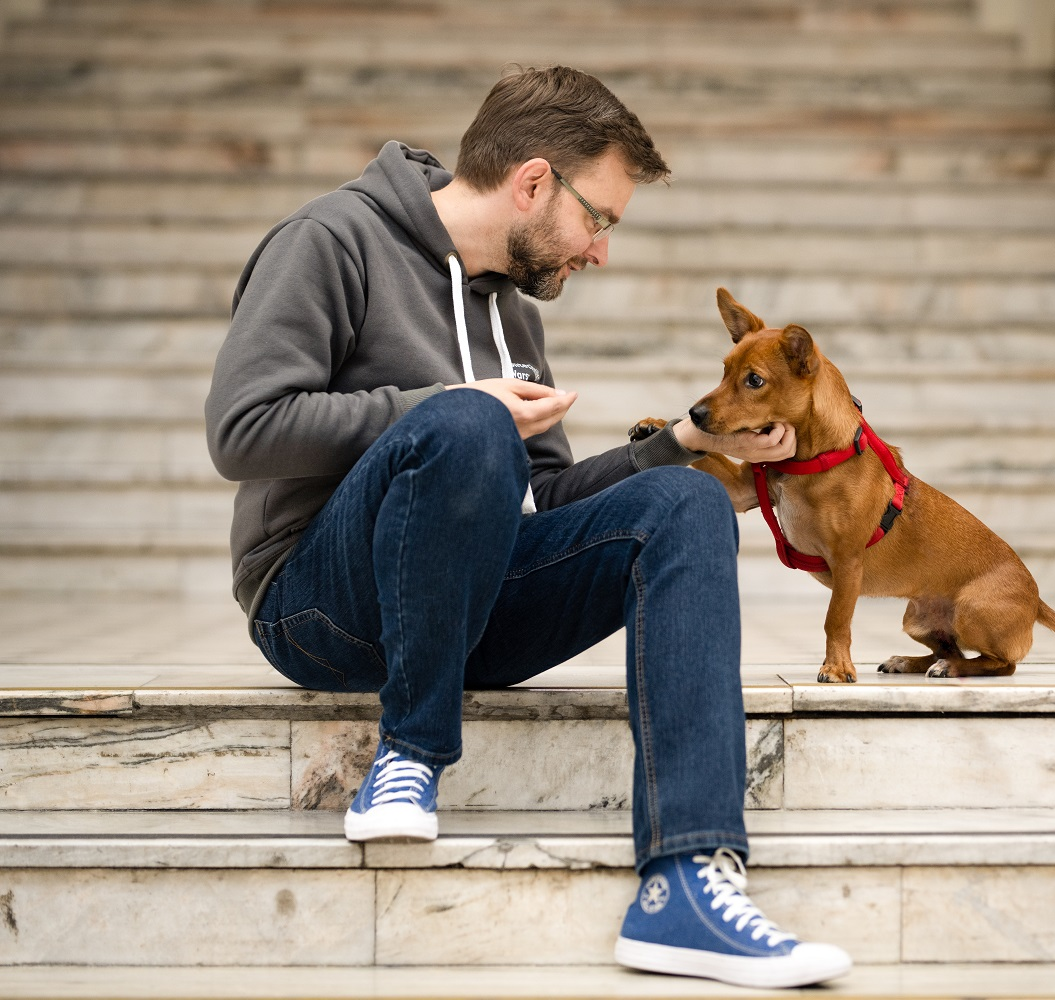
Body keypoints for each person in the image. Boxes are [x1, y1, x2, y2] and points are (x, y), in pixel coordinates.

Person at [204, 65, 851, 990]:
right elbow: (241, 430)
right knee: (468, 422)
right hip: (321, 605)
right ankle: (409, 758)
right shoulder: (330, 241)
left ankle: (688, 886)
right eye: (601, 218)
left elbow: (545, 502)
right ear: (535, 182)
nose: (600, 250)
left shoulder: (510, 310)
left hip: (466, 603)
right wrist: (449, 407)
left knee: (690, 498)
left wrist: (686, 441)